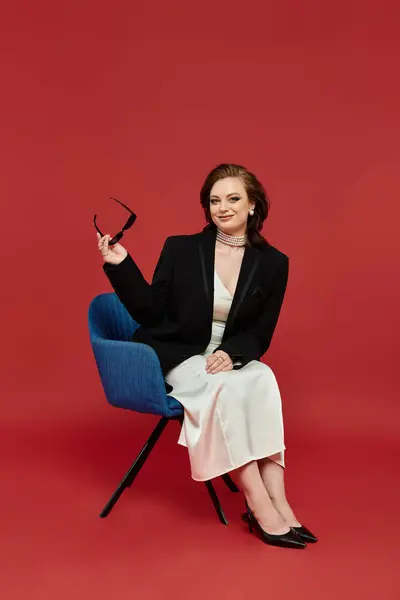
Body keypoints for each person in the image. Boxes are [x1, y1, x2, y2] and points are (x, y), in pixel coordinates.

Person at [97, 163, 317, 549]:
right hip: (178, 351)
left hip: (225, 356)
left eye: (233, 199)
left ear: (253, 206)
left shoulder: (273, 263)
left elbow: (260, 332)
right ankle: (258, 504)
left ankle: (280, 500)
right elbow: (150, 312)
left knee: (262, 378)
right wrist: (121, 264)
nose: (223, 207)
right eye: (215, 200)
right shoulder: (182, 248)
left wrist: (233, 354)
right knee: (224, 389)